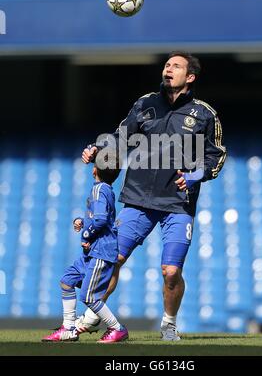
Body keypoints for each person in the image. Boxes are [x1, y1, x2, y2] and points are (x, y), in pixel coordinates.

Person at [81, 51, 227, 341]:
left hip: (178, 204)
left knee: (171, 271)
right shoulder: (145, 103)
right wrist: (97, 149)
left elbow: (217, 155)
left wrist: (197, 175)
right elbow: (120, 137)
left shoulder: (204, 114)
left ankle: (169, 324)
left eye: (176, 66)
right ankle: (91, 316)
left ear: (190, 77)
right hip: (137, 198)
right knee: (112, 259)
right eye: (167, 65)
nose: (168, 69)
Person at [42, 151, 128, 344]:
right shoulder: (105, 189)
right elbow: (99, 218)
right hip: (92, 252)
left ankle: (117, 328)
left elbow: (100, 220)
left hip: (100, 252)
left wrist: (87, 235)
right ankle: (69, 328)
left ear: (94, 170)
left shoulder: (99, 190)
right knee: (67, 281)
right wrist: (83, 221)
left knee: (89, 297)